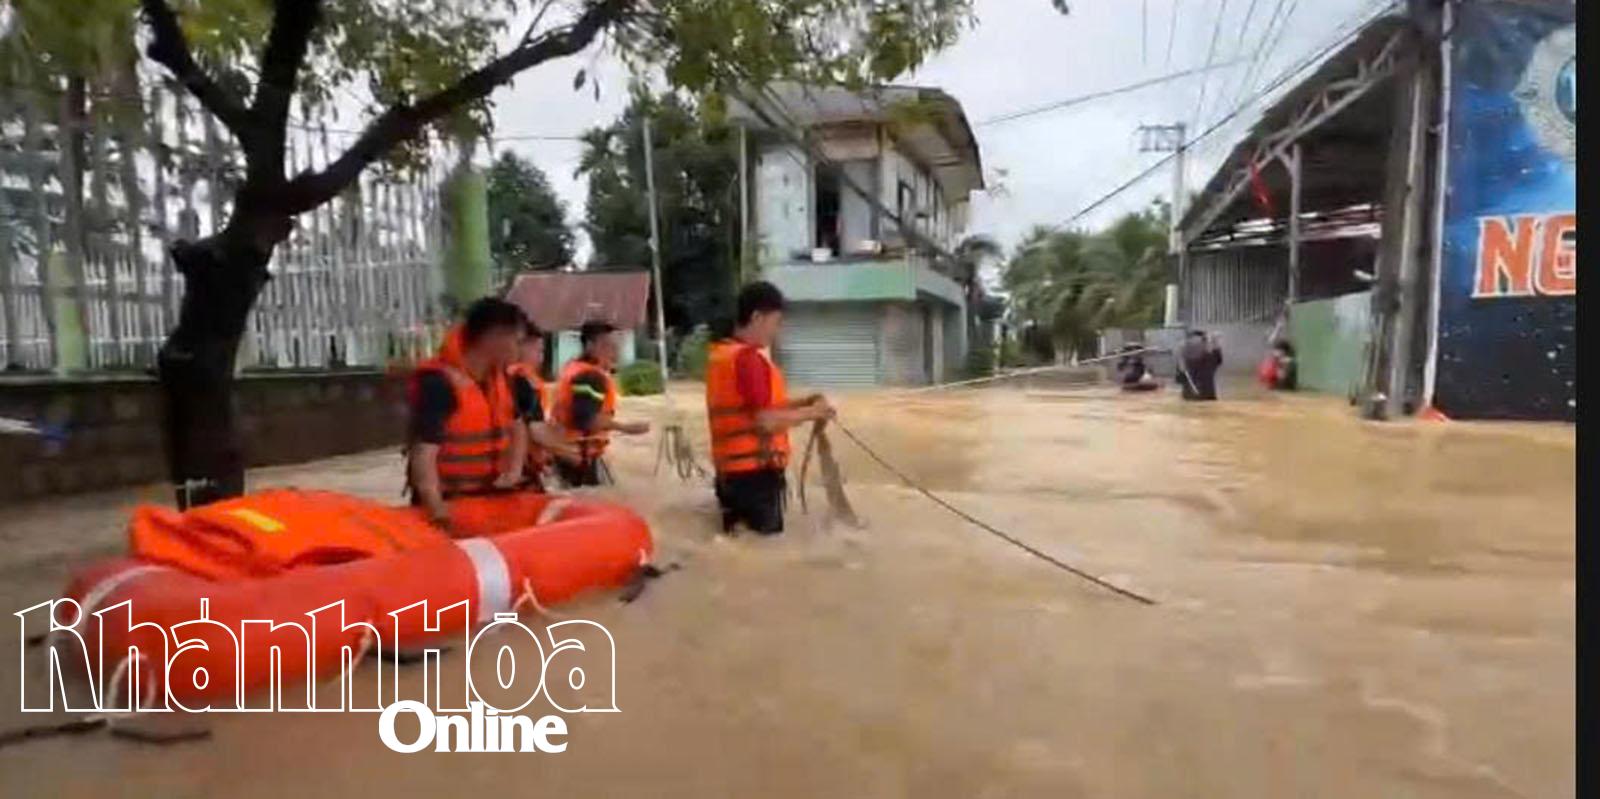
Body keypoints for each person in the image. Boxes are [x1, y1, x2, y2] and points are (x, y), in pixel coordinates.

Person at [705, 281, 835, 536]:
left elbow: (755, 409)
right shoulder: (748, 360)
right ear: (757, 317)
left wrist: (804, 402)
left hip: (731, 476)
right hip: (755, 478)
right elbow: (766, 422)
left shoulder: (723, 355)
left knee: (744, 550)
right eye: (776, 322)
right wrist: (814, 413)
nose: (777, 331)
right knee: (764, 549)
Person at [406, 298, 526, 529]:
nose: (519, 351)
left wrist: (514, 470)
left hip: (491, 497)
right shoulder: (439, 384)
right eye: (517, 341)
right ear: (495, 338)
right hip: (449, 501)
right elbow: (424, 455)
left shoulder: (502, 379)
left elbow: (517, 425)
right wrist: (438, 513)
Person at [548, 320, 651, 487]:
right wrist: (627, 428)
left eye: (615, 345)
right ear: (590, 346)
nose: (614, 351)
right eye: (607, 345)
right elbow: (585, 419)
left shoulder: (574, 368)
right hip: (578, 458)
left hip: (568, 454)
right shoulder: (590, 377)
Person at [505, 320, 581, 490]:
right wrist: (569, 453)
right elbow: (535, 431)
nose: (541, 357)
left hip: (518, 464)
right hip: (521, 469)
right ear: (521, 346)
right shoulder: (521, 381)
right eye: (538, 350)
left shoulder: (507, 377)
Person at [1177, 329, 1223, 401]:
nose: (1194, 345)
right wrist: (1215, 343)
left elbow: (1218, 359)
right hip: (1205, 398)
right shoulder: (1209, 360)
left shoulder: (1185, 365)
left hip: (1191, 399)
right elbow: (1218, 359)